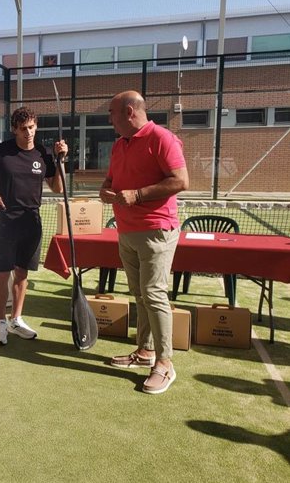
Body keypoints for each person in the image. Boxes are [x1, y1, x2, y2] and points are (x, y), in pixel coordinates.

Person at [100, 90, 188, 395]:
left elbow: (181, 180)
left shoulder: (162, 138)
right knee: (140, 294)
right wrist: (106, 190)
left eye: (111, 112)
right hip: (127, 231)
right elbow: (110, 181)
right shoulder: (118, 145)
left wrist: (137, 195)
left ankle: (165, 363)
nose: (108, 118)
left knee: (154, 293)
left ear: (128, 112)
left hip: (156, 231)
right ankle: (146, 351)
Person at [0, 106, 67, 345]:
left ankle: (16, 319)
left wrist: (61, 159)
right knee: (2, 273)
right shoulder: (2, 151)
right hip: (7, 221)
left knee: (22, 274)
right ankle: (0, 324)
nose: (28, 133)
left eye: (32, 127)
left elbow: (58, 188)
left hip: (32, 222)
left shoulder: (42, 153)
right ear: (14, 130)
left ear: (36, 126)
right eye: (23, 129)